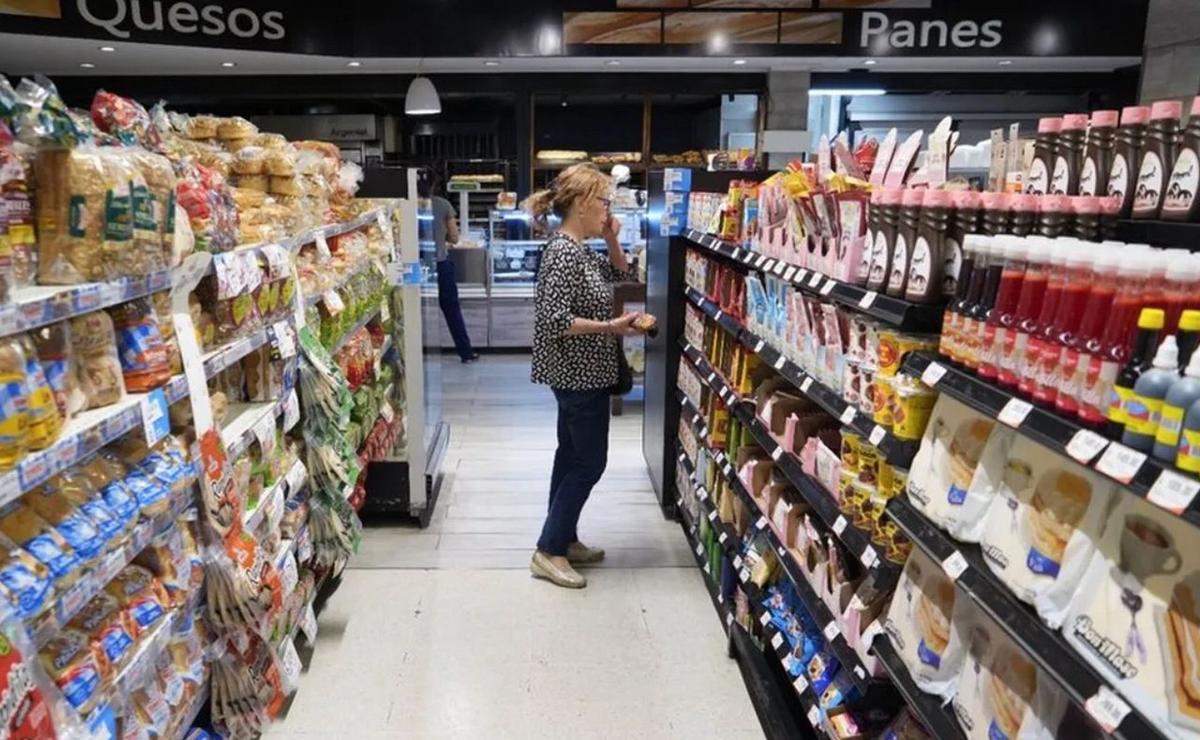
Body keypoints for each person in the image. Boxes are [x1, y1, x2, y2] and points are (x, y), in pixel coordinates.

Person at [524, 164, 640, 589]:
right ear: (580, 204)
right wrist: (613, 328)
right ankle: (549, 550)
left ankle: (564, 538)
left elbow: (624, 277)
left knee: (570, 455)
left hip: (587, 370)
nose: (609, 208)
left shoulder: (581, 248)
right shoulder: (562, 252)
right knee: (589, 462)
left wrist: (612, 237)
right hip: (577, 374)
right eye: (604, 201)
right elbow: (553, 320)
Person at [420, 171, 479, 363]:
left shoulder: (406, 205)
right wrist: (442, 240)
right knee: (451, 309)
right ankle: (465, 352)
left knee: (412, 309)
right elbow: (455, 237)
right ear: (433, 186)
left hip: (414, 268)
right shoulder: (443, 205)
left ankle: (412, 352)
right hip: (440, 264)